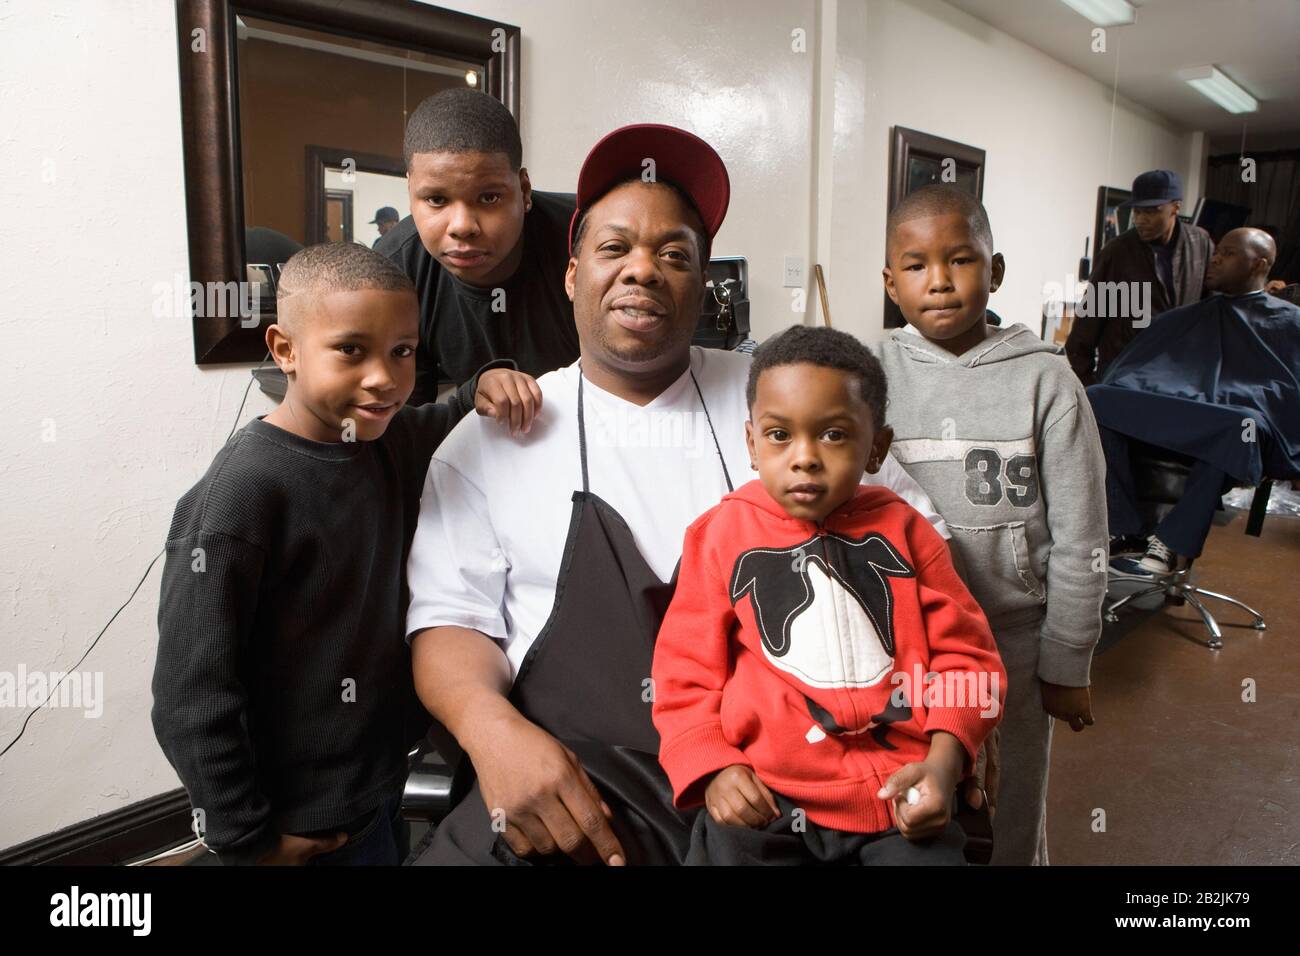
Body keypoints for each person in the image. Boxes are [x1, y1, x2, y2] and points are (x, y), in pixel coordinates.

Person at [403, 124, 972, 867]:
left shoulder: (788, 397)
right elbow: (451, 623)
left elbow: (924, 557)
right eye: (614, 249)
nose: (643, 271)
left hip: (794, 782)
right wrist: (492, 733)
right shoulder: (491, 440)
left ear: (704, 285)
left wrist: (948, 735)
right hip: (590, 778)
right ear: (571, 276)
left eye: (675, 255)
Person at [151, 243, 541, 865]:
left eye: (403, 351)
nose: (384, 377)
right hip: (297, 826)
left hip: (378, 787)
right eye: (351, 350)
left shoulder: (386, 440)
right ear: (285, 351)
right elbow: (190, 695)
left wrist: (487, 383)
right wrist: (247, 841)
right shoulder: (240, 498)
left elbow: (452, 411)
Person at [651, 325, 1006, 866]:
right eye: (779, 436)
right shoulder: (720, 536)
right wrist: (713, 766)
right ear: (751, 444)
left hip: (899, 797)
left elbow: (968, 661)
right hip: (769, 796)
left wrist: (945, 762)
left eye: (834, 435)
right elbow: (684, 673)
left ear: (876, 448)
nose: (804, 458)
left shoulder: (909, 534)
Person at [877, 185, 1107, 865]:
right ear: (890, 283)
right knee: (916, 812)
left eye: (961, 260)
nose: (939, 281)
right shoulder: (866, 374)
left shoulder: (1047, 382)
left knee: (1009, 814)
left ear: (996, 271)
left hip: (1015, 643)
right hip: (903, 648)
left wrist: (1068, 658)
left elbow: (1082, 537)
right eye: (915, 266)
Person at [1092, 228, 1300, 576]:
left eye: (1229, 253)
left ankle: (1172, 543)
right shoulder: (1185, 318)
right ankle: (1125, 527)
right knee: (1097, 398)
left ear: (1259, 263)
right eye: (1217, 251)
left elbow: (1288, 393)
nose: (1216, 258)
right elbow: (1136, 371)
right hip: (1181, 418)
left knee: (1240, 425)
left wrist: (1229, 398)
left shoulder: (1289, 323)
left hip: (1232, 429)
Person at [376, 89, 580, 403]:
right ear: (410, 193)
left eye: (488, 198)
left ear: (524, 191)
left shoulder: (591, 238)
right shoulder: (395, 271)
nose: (462, 227)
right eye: (436, 200)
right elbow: (407, 424)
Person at [1066, 169, 1214, 385]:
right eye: (1137, 211)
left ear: (1176, 207)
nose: (1140, 220)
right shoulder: (1118, 251)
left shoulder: (1200, 243)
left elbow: (1209, 307)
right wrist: (1090, 384)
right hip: (1126, 375)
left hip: (1178, 373)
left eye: (1152, 211)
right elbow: (1088, 322)